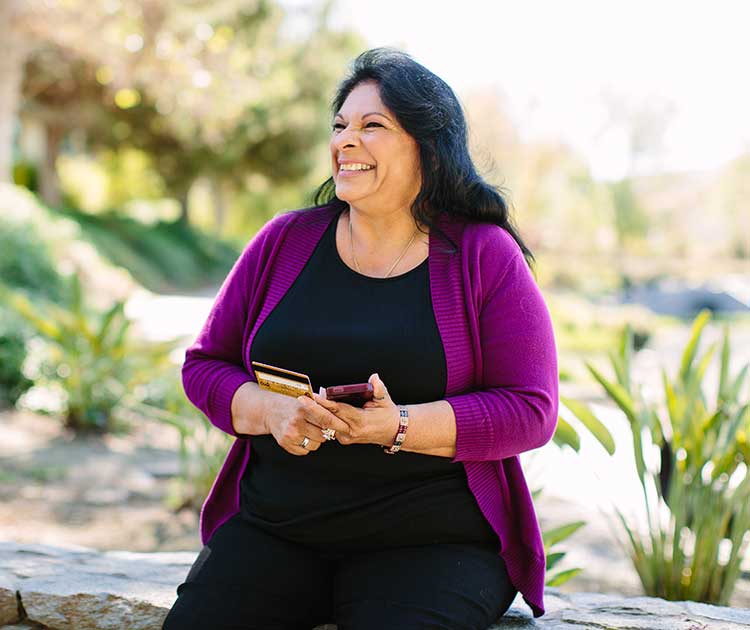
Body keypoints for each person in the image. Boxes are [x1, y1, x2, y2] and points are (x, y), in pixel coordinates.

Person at [163, 47, 558, 630]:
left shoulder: (482, 254)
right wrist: (271, 411)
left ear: (428, 144)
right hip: (278, 530)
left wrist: (398, 426)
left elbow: (531, 409)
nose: (346, 140)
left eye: (373, 126)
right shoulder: (284, 241)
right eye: (341, 125)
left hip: (431, 545)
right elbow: (206, 366)